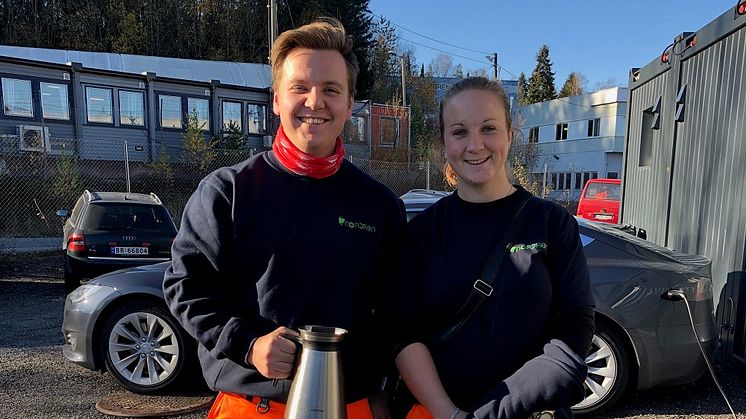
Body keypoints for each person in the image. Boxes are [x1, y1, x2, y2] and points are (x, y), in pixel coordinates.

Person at [163, 18, 404, 419]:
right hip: (250, 406)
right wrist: (247, 343)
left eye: (331, 89)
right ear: (276, 99)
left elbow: (398, 314)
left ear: (349, 103)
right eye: (300, 88)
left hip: (353, 407)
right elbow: (185, 286)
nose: (315, 102)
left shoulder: (379, 206)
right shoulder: (227, 191)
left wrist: (384, 390)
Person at [390, 77, 595, 419]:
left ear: (510, 134)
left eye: (488, 128)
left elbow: (574, 330)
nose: (475, 145)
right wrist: (450, 414)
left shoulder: (552, 223)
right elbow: (402, 333)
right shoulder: (422, 232)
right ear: (443, 142)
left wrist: (494, 413)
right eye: (459, 132)